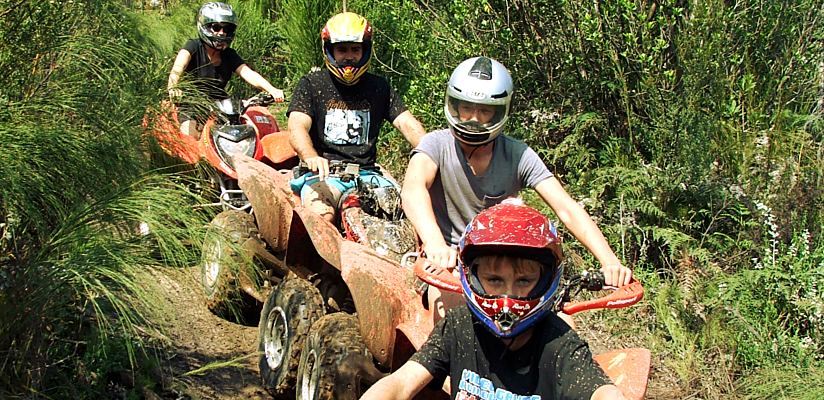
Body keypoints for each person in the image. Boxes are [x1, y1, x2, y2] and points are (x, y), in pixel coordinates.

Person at [401, 57, 631, 320]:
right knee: (452, 321)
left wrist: (609, 262)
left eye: (485, 111)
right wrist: (436, 245)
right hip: (449, 264)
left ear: (500, 112)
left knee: (561, 323)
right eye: (466, 108)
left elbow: (567, 208)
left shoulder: (518, 154)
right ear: (453, 105)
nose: (474, 118)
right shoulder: (435, 144)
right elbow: (413, 189)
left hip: (506, 265)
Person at [360, 200, 627, 400]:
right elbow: (401, 383)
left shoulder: (559, 344)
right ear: (472, 276)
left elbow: (602, 391)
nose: (508, 296)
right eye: (494, 280)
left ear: (546, 279)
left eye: (524, 281)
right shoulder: (459, 327)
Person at [286, 12, 427, 224]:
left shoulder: (379, 87)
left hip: (368, 175)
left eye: (355, 49)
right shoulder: (312, 83)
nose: (349, 56)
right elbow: (297, 126)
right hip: (323, 176)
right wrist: (310, 156)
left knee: (407, 212)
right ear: (330, 50)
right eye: (342, 50)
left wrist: (433, 152)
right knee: (323, 216)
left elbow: (407, 124)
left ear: (365, 50)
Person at [166, 2, 285, 139]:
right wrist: (173, 87)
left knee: (245, 133)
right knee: (189, 134)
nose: (221, 33)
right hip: (193, 104)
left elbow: (249, 73)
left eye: (227, 29)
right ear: (204, 26)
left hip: (221, 106)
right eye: (216, 27)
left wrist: (272, 90)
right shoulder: (193, 46)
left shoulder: (229, 54)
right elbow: (178, 68)